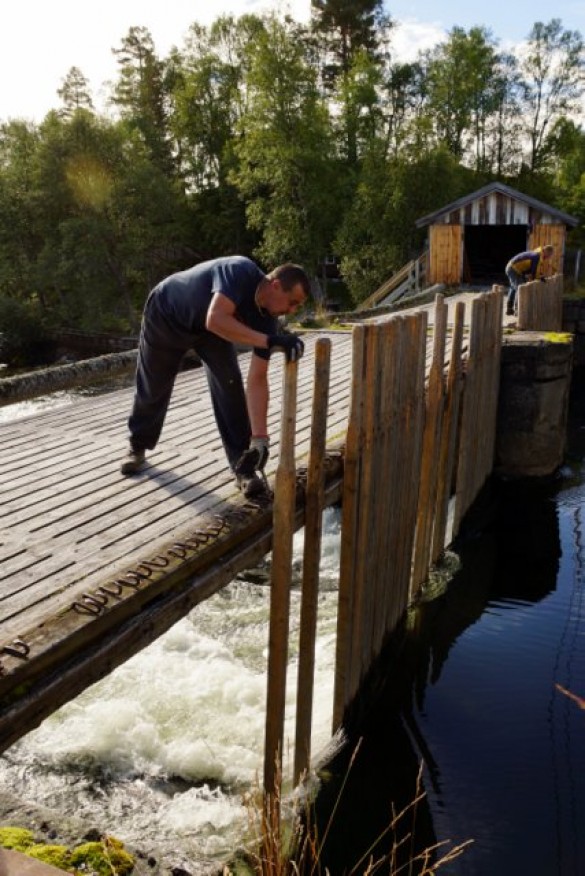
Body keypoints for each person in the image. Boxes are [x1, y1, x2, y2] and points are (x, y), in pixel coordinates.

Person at [120, 255, 309, 498]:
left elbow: (257, 380)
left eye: (297, 307)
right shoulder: (239, 271)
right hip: (167, 313)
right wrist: (270, 342)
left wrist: (260, 439)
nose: (291, 311)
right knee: (154, 384)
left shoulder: (267, 323)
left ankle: (244, 469)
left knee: (230, 385)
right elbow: (215, 318)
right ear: (275, 286)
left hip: (209, 330)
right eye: (292, 302)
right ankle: (137, 445)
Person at [505, 244, 554, 315]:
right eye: (549, 255)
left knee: (513, 287)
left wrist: (539, 276)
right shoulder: (537, 256)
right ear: (547, 251)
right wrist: (539, 278)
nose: (549, 258)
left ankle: (509, 309)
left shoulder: (538, 254)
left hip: (515, 269)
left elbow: (535, 271)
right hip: (513, 269)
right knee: (520, 288)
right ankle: (518, 311)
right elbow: (533, 272)